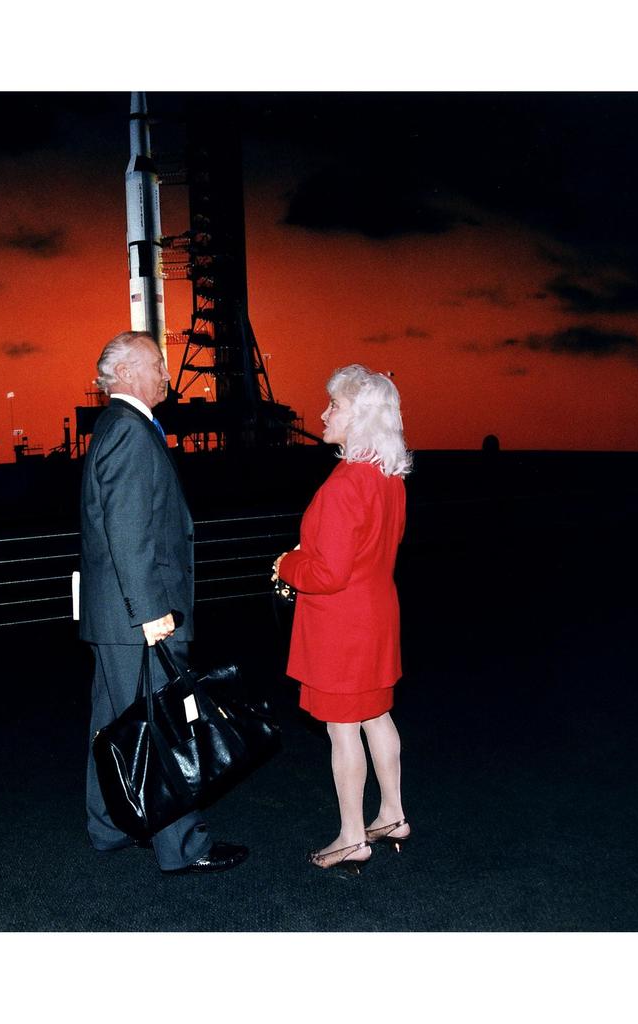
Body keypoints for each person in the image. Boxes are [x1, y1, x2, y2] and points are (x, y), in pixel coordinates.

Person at [79, 330, 249, 874]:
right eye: (156, 363)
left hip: (114, 616)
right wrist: (154, 611)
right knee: (167, 726)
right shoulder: (130, 432)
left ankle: (107, 825)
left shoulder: (116, 426)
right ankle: (182, 847)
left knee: (112, 722)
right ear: (126, 373)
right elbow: (129, 532)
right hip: (143, 615)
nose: (166, 373)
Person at [272, 364, 413, 873]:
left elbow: (327, 573)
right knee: (376, 715)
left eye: (335, 405)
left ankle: (353, 837)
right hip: (377, 613)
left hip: (342, 624)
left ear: (360, 418)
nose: (325, 413)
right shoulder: (388, 478)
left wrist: (286, 563)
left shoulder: (344, 484)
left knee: (342, 729)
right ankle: (393, 814)